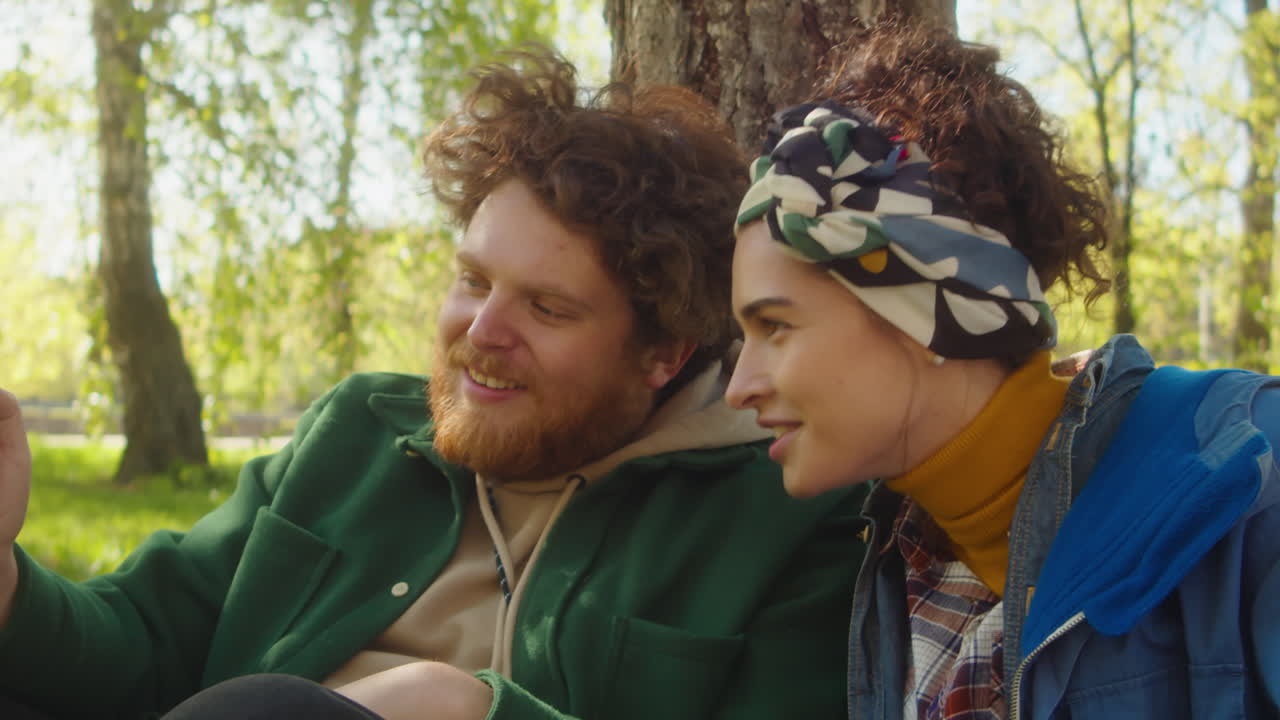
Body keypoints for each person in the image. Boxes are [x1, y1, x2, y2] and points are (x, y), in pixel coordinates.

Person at [0, 47, 867, 720]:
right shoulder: (356, 435)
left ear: (664, 356)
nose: (481, 333)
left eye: (549, 309)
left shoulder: (781, 513)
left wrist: (465, 706)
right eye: (472, 282)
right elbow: (143, 642)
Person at [724, 19, 1280, 720]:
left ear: (924, 310)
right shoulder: (900, 557)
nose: (739, 384)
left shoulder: (1249, 467)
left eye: (774, 326)